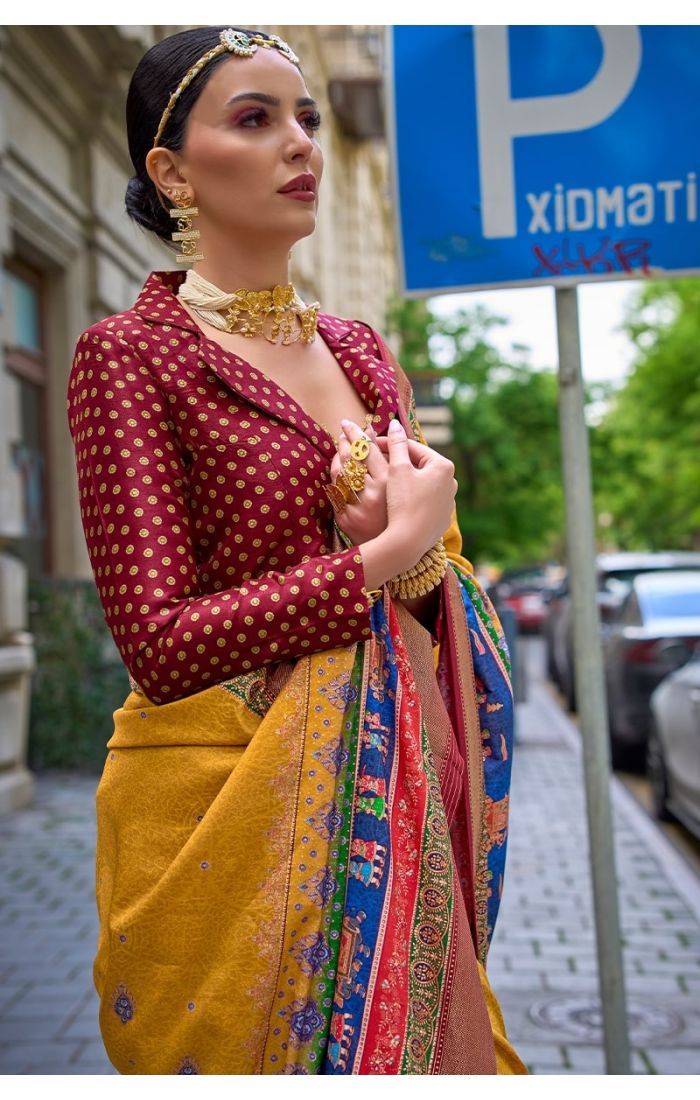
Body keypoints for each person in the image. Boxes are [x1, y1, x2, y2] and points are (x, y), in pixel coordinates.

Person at [67, 26, 527, 1076]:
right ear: (173, 171)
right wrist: (377, 559)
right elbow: (160, 640)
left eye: (307, 118)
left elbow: (427, 584)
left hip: (395, 788)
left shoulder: (363, 351)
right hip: (221, 819)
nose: (300, 144)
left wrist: (420, 565)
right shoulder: (131, 356)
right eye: (255, 118)